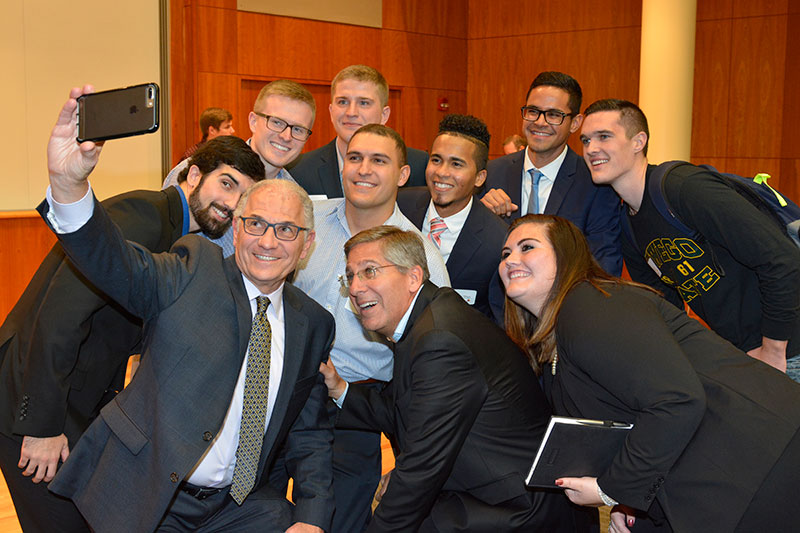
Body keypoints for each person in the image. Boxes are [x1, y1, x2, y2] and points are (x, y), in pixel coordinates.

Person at [41, 86, 334, 533]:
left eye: (286, 230)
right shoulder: (193, 269)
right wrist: (69, 185)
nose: (269, 241)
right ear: (236, 229)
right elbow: (118, 264)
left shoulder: (313, 322)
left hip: (238, 507)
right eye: (255, 224)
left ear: (307, 244)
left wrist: (312, 517)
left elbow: (309, 431)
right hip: (150, 494)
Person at [0, 104, 264, 531]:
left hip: (74, 400)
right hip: (29, 398)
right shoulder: (145, 212)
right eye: (227, 184)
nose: (232, 204)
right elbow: (59, 314)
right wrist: (42, 425)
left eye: (243, 197)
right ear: (193, 175)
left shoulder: (184, 242)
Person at [499, 213, 800, 532]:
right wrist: (623, 496)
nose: (511, 260)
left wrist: (610, 488)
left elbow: (677, 401)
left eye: (527, 247)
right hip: (727, 478)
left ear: (566, 254)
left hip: (762, 463)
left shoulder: (589, 303)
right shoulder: (555, 343)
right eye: (504, 254)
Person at [318, 225, 579, 532]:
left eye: (370, 271)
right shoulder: (428, 318)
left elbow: (421, 466)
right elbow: (404, 410)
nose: (356, 287)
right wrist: (340, 389)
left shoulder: (438, 338)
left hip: (515, 510)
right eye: (350, 276)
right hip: (483, 490)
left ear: (414, 277)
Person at [293, 123, 449, 532]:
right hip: (285, 389)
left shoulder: (421, 258)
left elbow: (431, 360)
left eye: (379, 160)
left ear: (402, 175)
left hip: (354, 406)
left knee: (340, 521)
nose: (363, 169)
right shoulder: (306, 224)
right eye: (355, 157)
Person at [580, 98, 800, 379]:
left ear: (638, 141)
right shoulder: (629, 226)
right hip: (746, 354)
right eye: (586, 140)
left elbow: (782, 259)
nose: (591, 149)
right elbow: (666, 310)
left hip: (785, 348)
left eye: (604, 137)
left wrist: (773, 349)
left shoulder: (684, 186)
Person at [480, 71, 622, 276]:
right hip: (499, 303)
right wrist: (482, 215)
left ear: (575, 123)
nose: (540, 122)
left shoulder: (595, 184)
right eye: (533, 111)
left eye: (554, 115)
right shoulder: (494, 173)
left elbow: (604, 266)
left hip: (568, 303)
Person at [164, 80, 316, 256]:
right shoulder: (199, 171)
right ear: (253, 121)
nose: (286, 136)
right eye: (276, 122)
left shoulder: (295, 199)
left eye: (298, 129)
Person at [397, 114, 507, 317]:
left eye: (456, 164)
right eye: (436, 160)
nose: (442, 172)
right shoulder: (399, 206)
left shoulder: (497, 241)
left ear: (479, 177)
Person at [290, 65, 429, 197]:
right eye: (343, 102)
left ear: (384, 114)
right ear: (331, 111)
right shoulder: (299, 171)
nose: (351, 112)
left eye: (364, 103)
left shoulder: (418, 165)